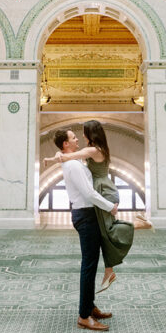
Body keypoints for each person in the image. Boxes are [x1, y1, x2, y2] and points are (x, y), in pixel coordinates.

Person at [49, 121, 134, 293]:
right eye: (75, 136)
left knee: (106, 231)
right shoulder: (97, 148)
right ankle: (109, 271)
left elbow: (67, 157)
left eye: (84, 133)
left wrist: (54, 156)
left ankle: (110, 269)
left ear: (91, 134)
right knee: (104, 231)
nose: (81, 137)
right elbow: (70, 156)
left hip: (104, 191)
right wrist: (59, 152)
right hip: (105, 190)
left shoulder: (92, 150)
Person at [47, 127, 117, 331]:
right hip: (85, 215)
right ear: (66, 144)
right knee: (88, 266)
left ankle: (90, 306)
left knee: (92, 264)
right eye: (73, 137)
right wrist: (110, 206)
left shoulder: (73, 161)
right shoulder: (74, 166)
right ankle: (84, 316)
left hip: (88, 214)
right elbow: (88, 193)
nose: (78, 139)